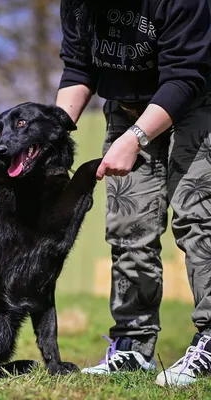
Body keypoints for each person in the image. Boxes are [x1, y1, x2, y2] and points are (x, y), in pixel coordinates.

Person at [56, 0, 211, 386]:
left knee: (198, 218)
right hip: (125, 107)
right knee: (129, 226)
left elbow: (186, 76)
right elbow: (78, 67)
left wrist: (136, 137)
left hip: (194, 102)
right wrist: (52, 138)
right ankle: (132, 347)